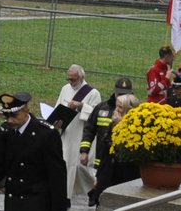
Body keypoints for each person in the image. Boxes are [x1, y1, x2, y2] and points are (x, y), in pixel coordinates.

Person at [51, 64, 101, 200]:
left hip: (82, 134)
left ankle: (93, 188)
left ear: (81, 77)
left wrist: (81, 106)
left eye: (73, 79)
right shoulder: (65, 89)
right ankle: (65, 198)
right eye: (69, 79)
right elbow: (58, 108)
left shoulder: (93, 93)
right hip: (67, 133)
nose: (71, 82)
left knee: (79, 167)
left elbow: (96, 115)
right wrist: (57, 121)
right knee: (66, 166)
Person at [79, 76, 133, 181]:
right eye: (119, 94)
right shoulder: (102, 108)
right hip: (101, 162)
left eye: (125, 94)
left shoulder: (136, 110)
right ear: (115, 92)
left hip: (124, 163)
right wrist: (84, 151)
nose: (121, 97)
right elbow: (89, 130)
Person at [90, 94, 140, 202]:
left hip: (124, 176)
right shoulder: (112, 125)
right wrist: (98, 176)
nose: (116, 110)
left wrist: (121, 125)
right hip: (107, 174)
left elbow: (129, 150)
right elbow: (105, 151)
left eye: (120, 107)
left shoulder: (137, 129)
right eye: (116, 106)